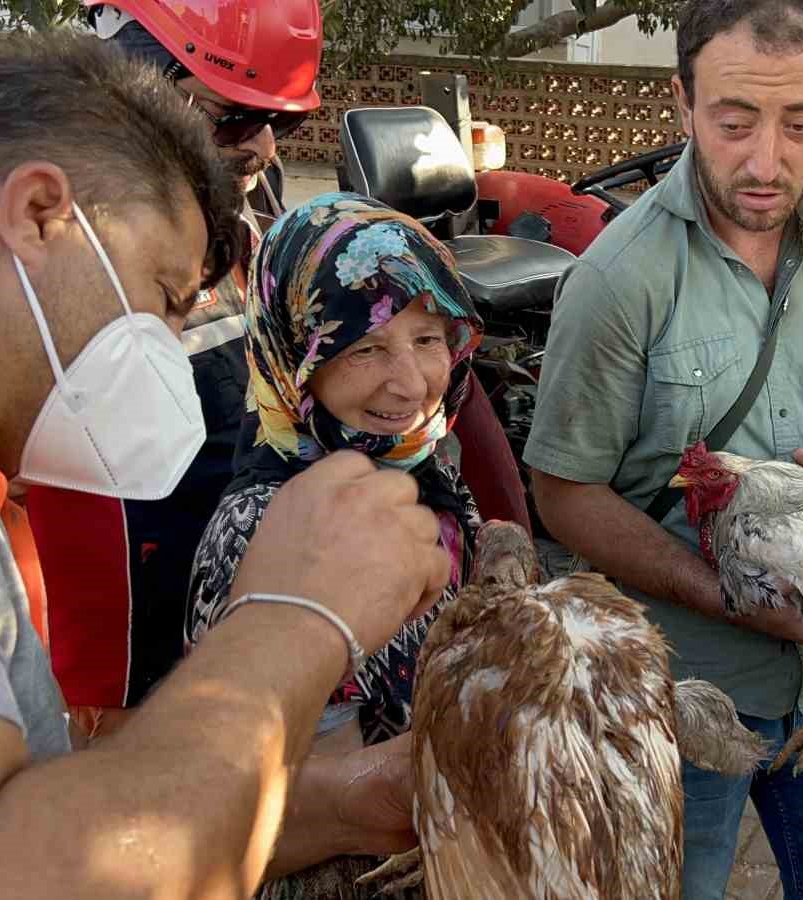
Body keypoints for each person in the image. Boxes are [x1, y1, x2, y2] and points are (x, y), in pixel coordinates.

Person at [0, 32, 449, 898]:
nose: (162, 347)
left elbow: (28, 828)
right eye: (160, 295)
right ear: (40, 212)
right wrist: (295, 617)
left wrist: (352, 800)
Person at [523, 1, 803, 895]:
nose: (764, 160)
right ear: (683, 102)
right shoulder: (618, 277)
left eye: (801, 124)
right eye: (734, 121)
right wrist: (734, 599)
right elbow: (562, 490)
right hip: (682, 695)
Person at [27, 0, 528, 721]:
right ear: (132, 89)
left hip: (270, 584)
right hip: (134, 647)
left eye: (280, 123)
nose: (262, 149)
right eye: (233, 118)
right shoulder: (58, 253)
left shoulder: (238, 196)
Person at [187, 194, 483, 895]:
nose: (409, 384)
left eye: (427, 339)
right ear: (296, 352)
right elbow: (322, 798)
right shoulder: (273, 526)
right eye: (363, 348)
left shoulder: (422, 464)